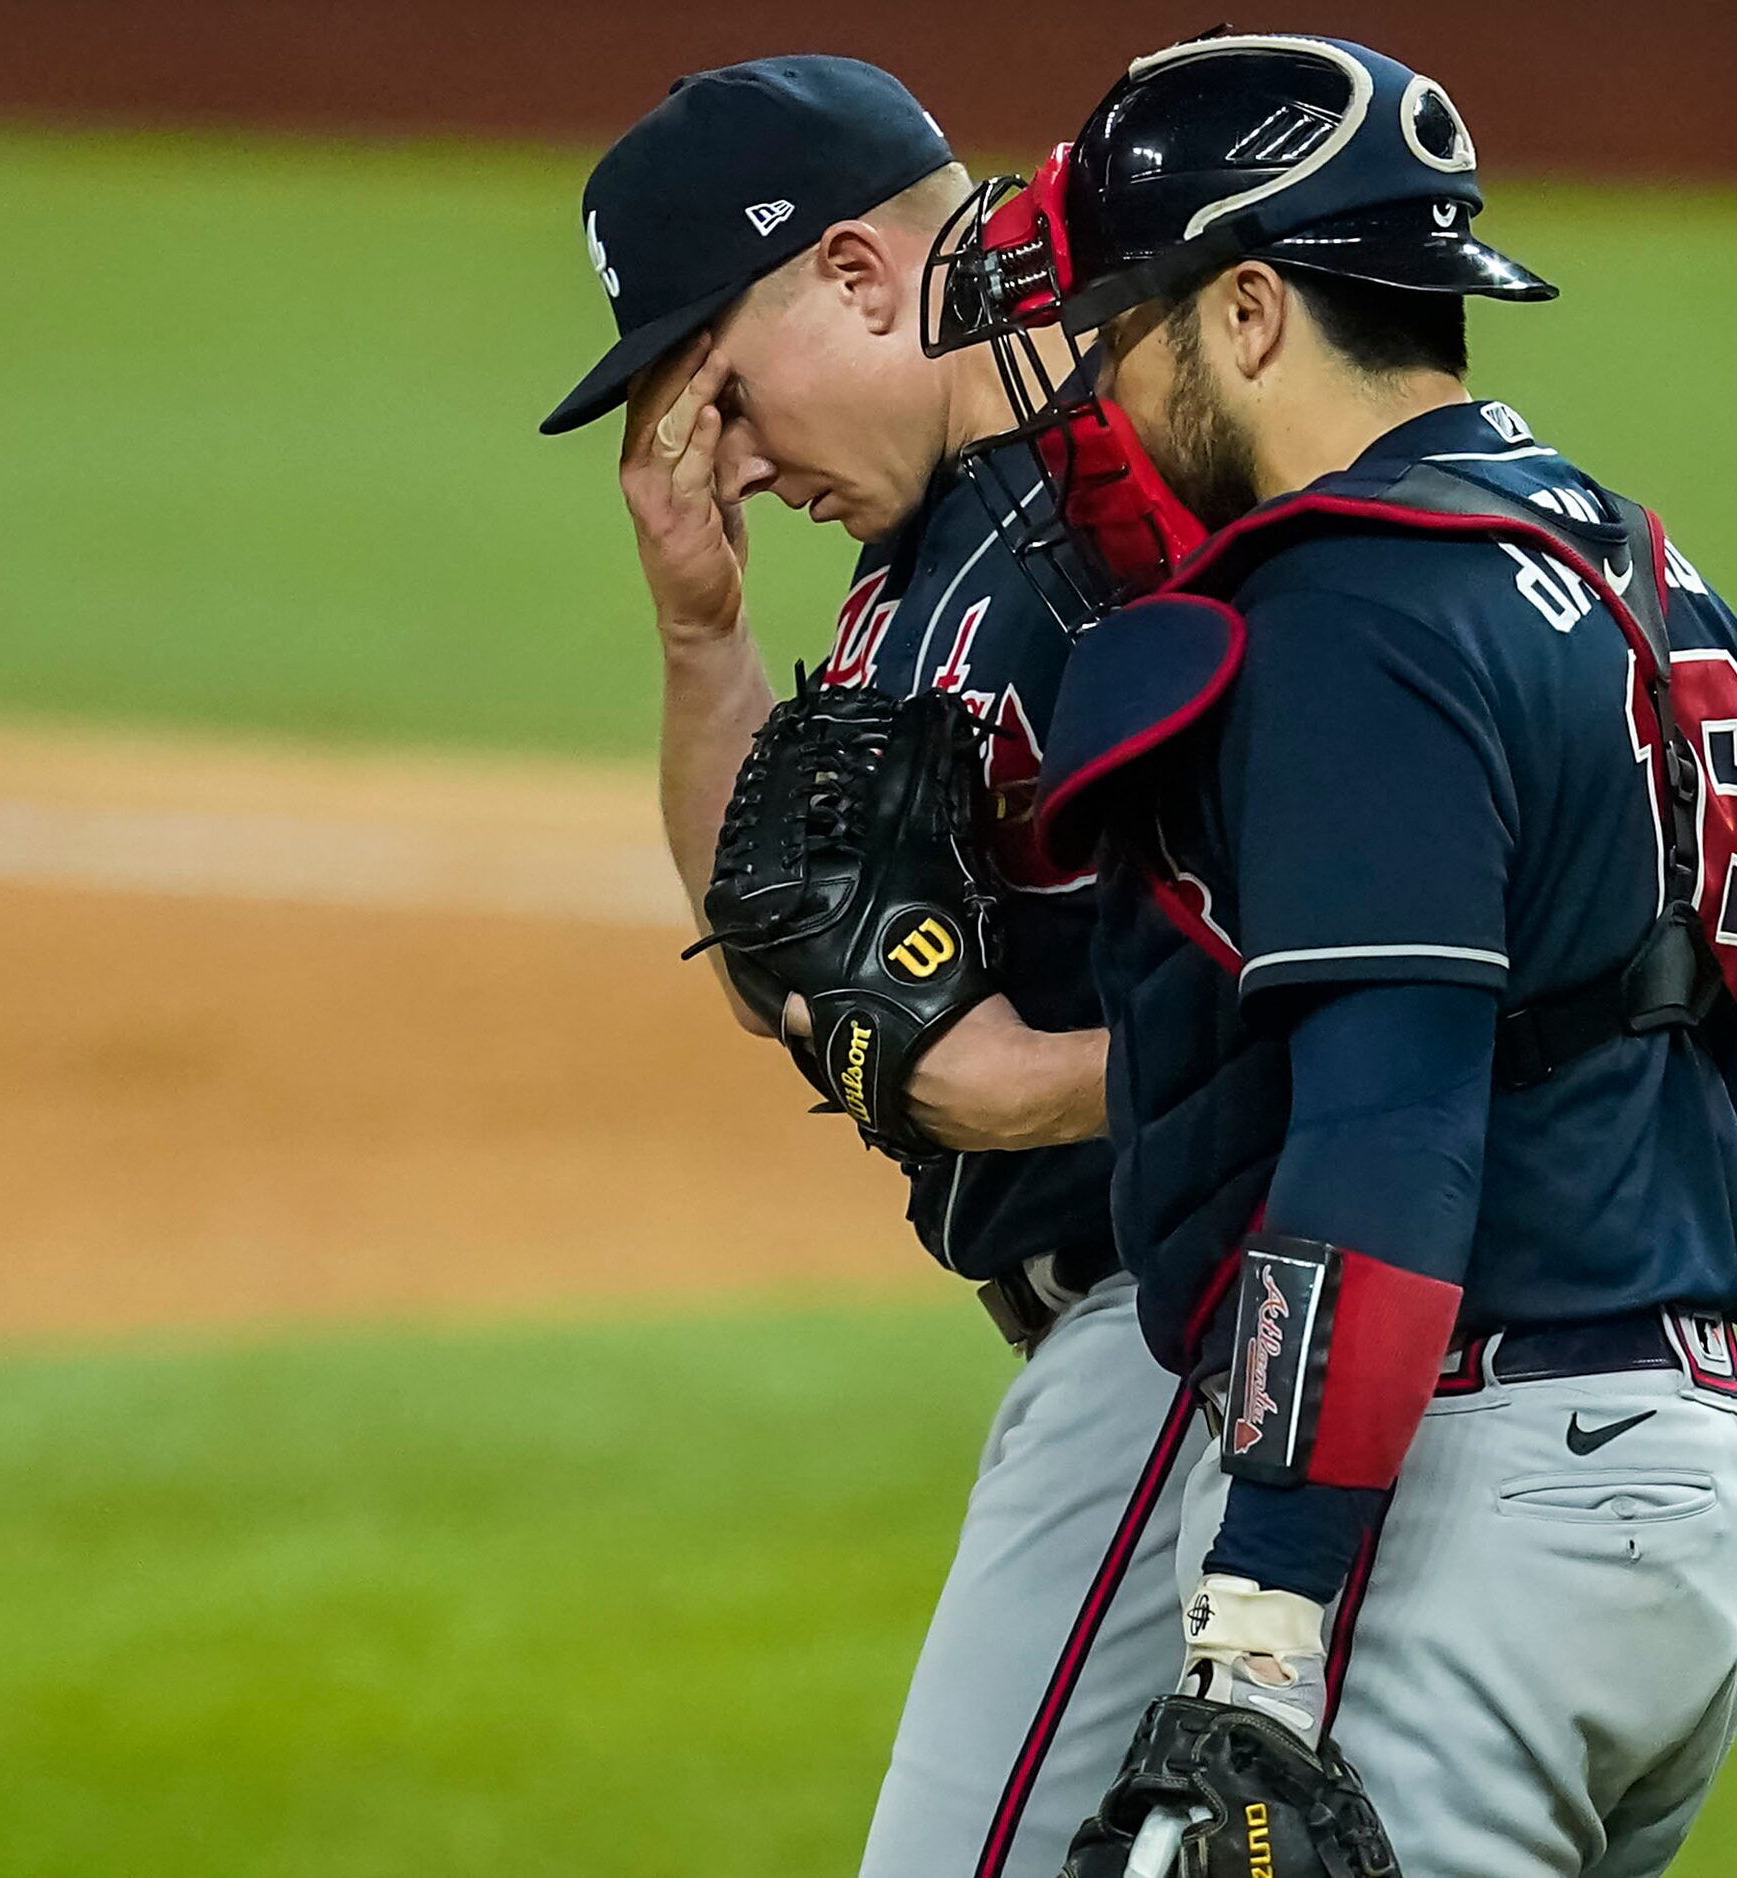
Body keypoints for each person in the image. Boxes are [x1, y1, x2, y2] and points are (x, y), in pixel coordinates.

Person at [926, 33, 1737, 1877]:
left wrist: (1260, 1619)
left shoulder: (1351, 613)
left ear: (1248, 311)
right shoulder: (1641, 568)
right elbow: (1723, 1078)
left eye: (1125, 321)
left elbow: (1385, 1139)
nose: (1103, 381)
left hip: (1457, 1520)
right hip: (1687, 1488)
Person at [537, 57, 1197, 1878]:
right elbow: (781, 941)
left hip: (1190, 1320)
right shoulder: (925, 558)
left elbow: (1353, 963)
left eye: (724, 395)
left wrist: (1010, 1085)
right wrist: (700, 632)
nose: (727, 457)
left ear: (852, 271)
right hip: (1149, 1331)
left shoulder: (1138, 488)